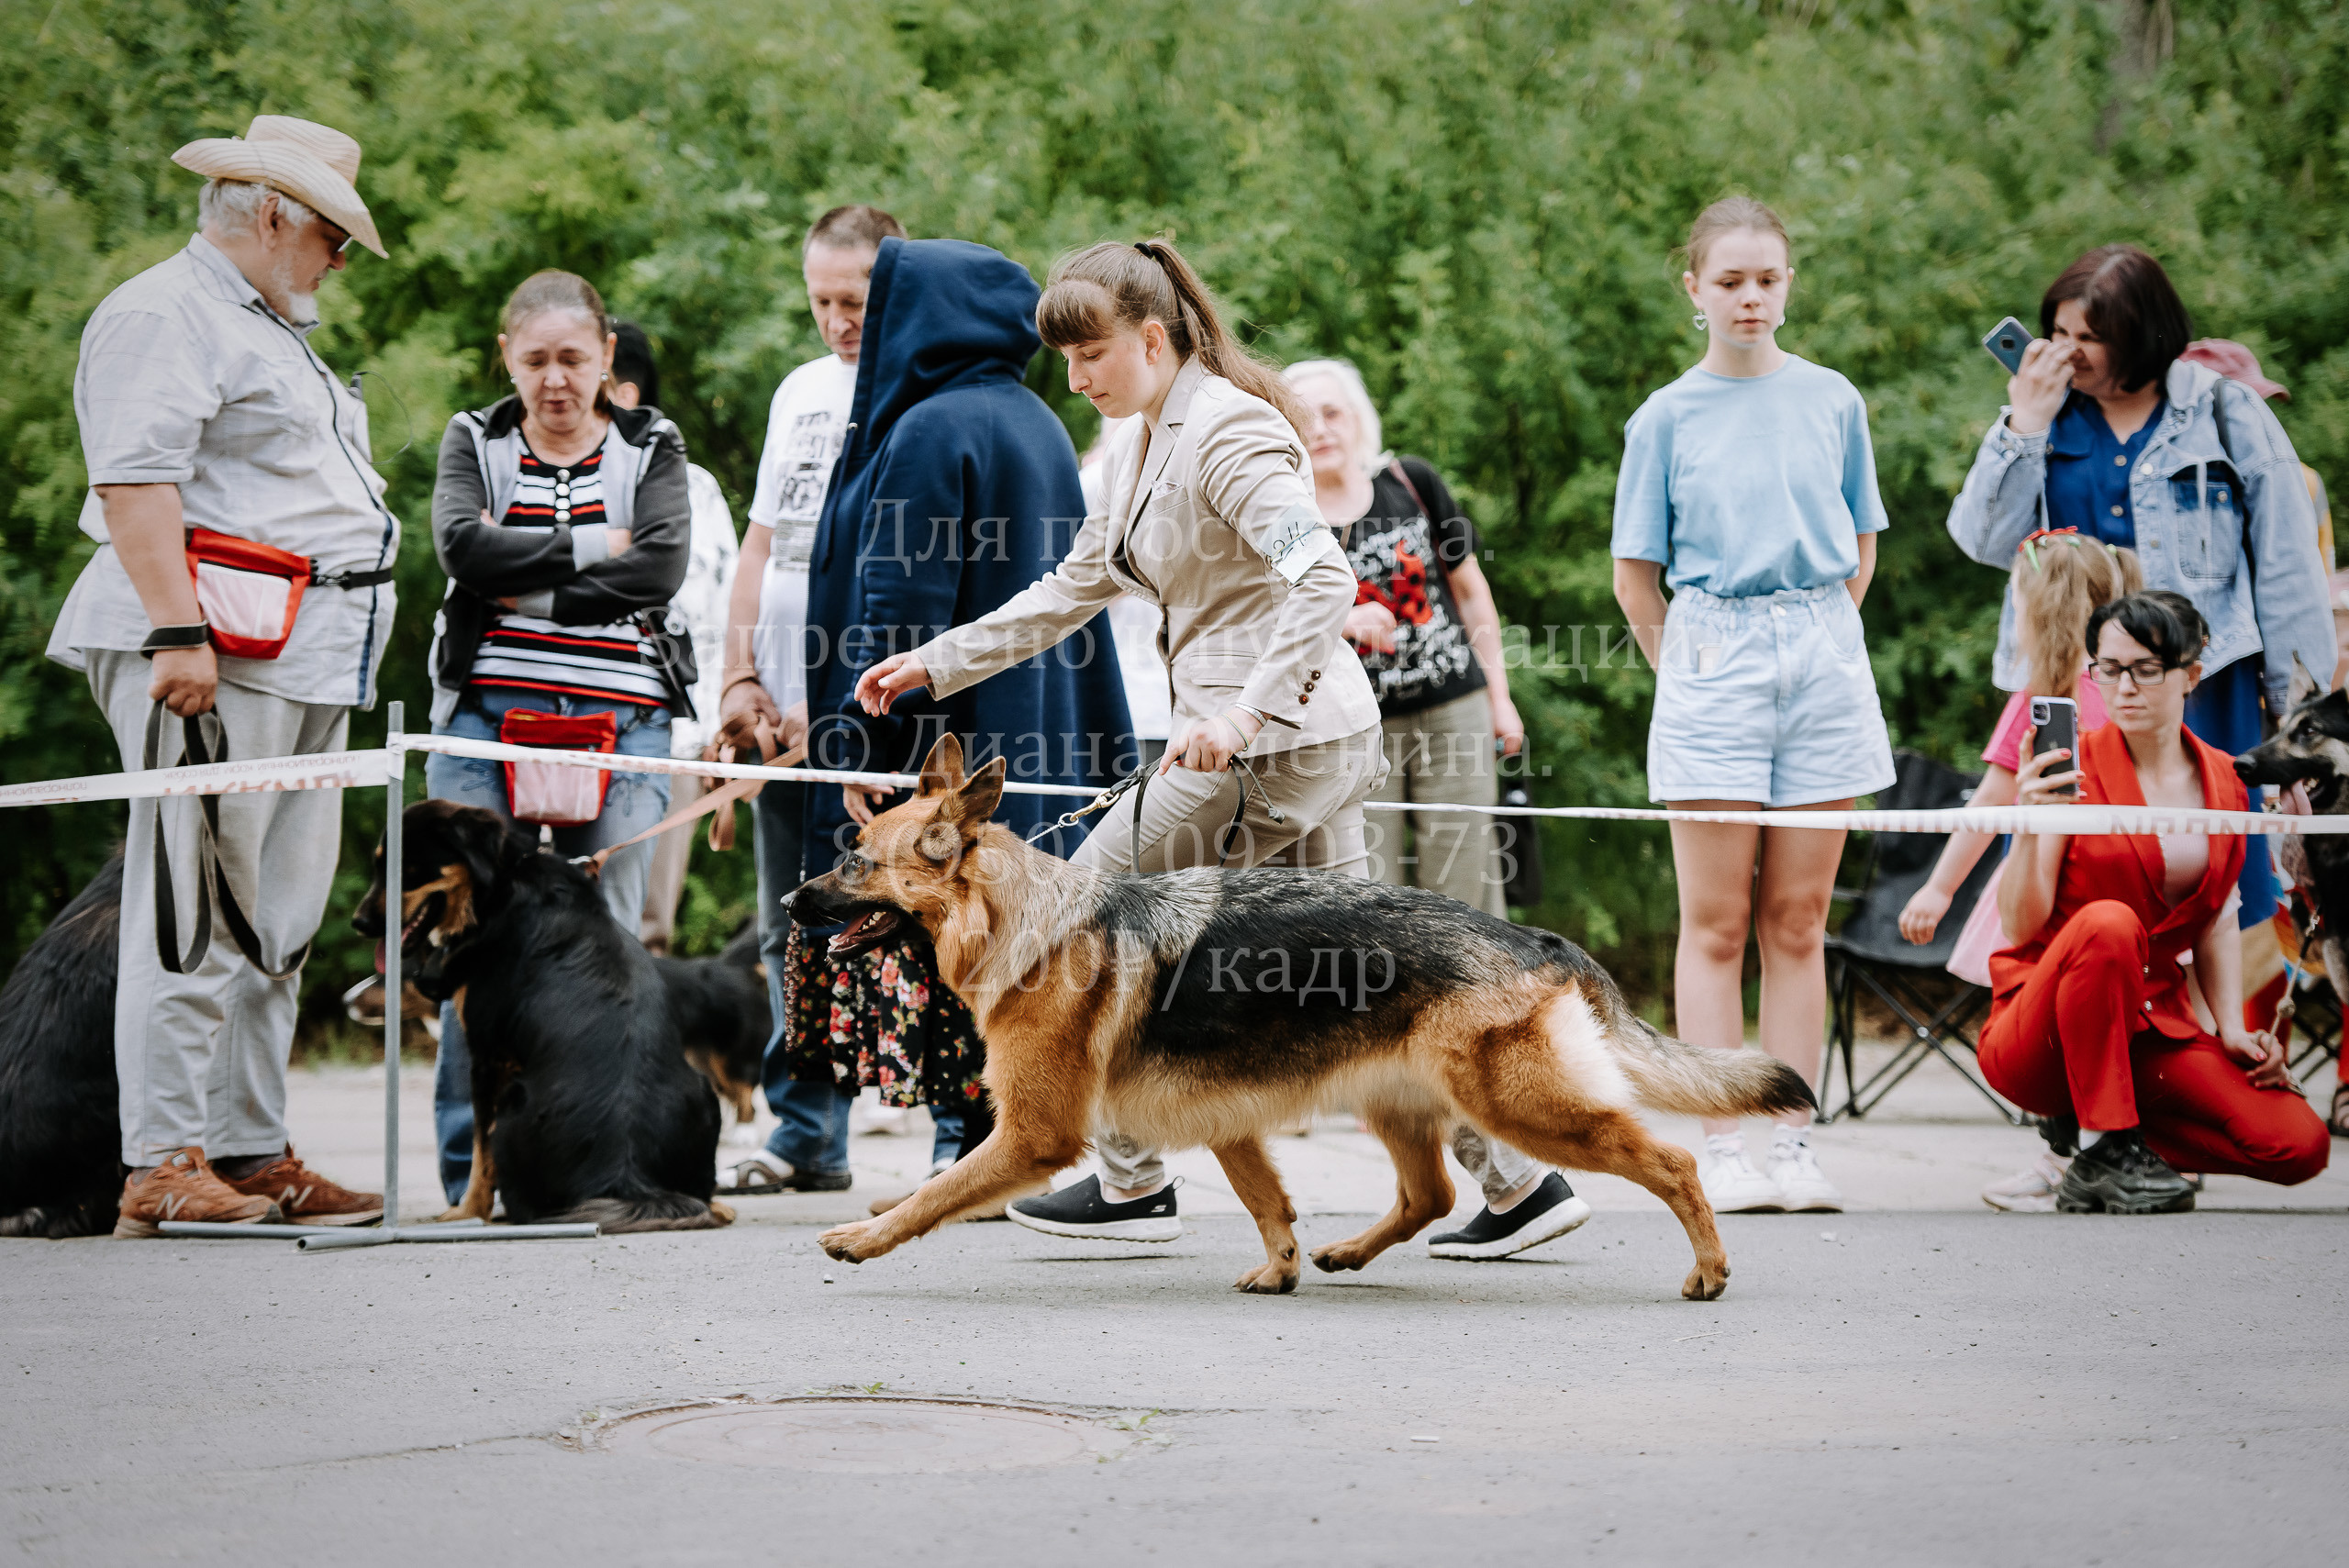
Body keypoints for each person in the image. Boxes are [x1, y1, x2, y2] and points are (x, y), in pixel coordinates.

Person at [45, 117, 395, 1235]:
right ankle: (162, 1156)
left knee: (275, 914)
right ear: (274, 215)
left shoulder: (266, 321)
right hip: (217, 643)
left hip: (299, 646)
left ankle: (248, 1143)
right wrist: (175, 632)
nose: (339, 259)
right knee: (188, 905)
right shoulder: (164, 312)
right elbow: (134, 485)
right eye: (332, 236)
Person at [731, 235, 1133, 1202]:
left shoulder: (922, 430)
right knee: (1009, 939)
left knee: (925, 930)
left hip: (935, 746)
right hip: (1029, 729)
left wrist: (856, 745)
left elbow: (892, 609)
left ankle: (940, 1148)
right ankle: (988, 1139)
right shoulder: (1035, 418)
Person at [1612, 195, 1896, 1216]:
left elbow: (1861, 545)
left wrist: (1813, 637)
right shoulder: (1665, 416)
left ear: (1787, 284)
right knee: (1718, 919)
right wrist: (1690, 669)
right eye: (1728, 279)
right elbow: (1634, 579)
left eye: (1765, 278)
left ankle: (1790, 1139)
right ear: (1693, 288)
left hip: (1820, 645)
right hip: (1710, 652)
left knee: (1798, 916)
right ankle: (1722, 1140)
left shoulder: (1832, 399)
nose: (1749, 296)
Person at [1284, 357, 1589, 1258]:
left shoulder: (1409, 482)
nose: (1323, 427)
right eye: (1307, 415)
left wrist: (1499, 696)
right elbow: (1282, 611)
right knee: (1380, 913)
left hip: (1450, 705)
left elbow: (1471, 594)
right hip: (1355, 723)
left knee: (1468, 903)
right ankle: (1443, 1099)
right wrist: (1342, 620)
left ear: (1359, 416)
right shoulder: (1287, 515)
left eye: (1335, 411)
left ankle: (1510, 1071)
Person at [1947, 246, 2333, 939]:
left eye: (2091, 337)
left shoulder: (2226, 413)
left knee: (2221, 896)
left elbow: (2288, 568)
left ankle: (2221, 1041)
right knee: (2070, 892)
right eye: (2059, 333)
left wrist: (2295, 716)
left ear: (2144, 335)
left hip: (2203, 687)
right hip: (2073, 691)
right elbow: (1980, 539)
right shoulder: (2045, 414)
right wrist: (2022, 425)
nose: (2070, 353)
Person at [422, 270, 692, 1207]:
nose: (555, 380)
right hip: (482, 724)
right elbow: (461, 547)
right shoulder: (474, 437)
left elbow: (659, 565)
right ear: (507, 357)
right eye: (534, 360)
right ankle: (470, 1173)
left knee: (607, 947)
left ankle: (601, 1166)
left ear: (607, 358)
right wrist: (595, 548)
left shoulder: (651, 440)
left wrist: (525, 574)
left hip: (622, 725)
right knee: (465, 950)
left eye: (574, 358)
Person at [1981, 592, 2329, 1211]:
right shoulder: (2072, 763)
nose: (2124, 687)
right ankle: (2104, 1140)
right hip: (2041, 1028)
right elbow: (2020, 924)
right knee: (2109, 923)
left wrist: (2231, 1029)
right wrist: (2030, 826)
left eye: (2145, 668)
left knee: (2299, 1144)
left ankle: (2103, 1144)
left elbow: (2216, 917)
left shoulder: (2226, 778)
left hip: (2152, 1026)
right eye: (2108, 668)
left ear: (2191, 674)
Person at [711, 206, 912, 1194]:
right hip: (778, 713)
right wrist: (739, 677)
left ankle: (961, 1138)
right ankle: (804, 1133)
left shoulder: (918, 396)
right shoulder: (798, 392)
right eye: (821, 299)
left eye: (856, 299)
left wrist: (837, 706)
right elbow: (760, 547)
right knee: (793, 919)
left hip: (868, 714)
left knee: (904, 923)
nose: (837, 319)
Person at [1891, 531, 2143, 1211]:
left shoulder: (2043, 702)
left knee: (2059, 1026)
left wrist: (1940, 886)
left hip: (2053, 901)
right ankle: (2087, 1148)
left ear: (2035, 613)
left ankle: (2067, 1155)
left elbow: (1988, 804)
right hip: (2118, 899)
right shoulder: (2131, 698)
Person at [607, 320, 740, 953]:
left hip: (676, 738)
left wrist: (720, 729)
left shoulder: (698, 489)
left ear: (622, 390)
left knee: (648, 927)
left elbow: (726, 615)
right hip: (565, 729)